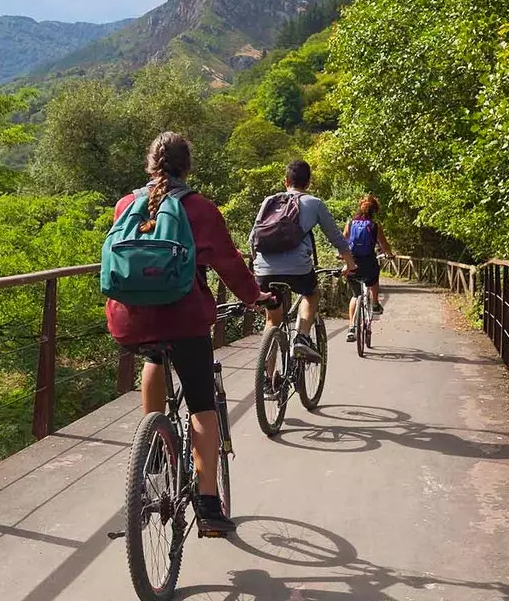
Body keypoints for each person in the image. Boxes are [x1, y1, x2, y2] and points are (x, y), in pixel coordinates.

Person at [105, 131, 272, 535]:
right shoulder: (199, 208)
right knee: (202, 407)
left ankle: (154, 446)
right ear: (188, 166)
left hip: (132, 320)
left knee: (152, 356)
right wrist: (255, 298)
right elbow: (230, 264)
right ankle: (209, 506)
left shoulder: (126, 204)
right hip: (184, 319)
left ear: (150, 164)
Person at [249, 160, 357, 366]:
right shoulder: (313, 203)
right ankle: (302, 337)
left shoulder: (268, 201)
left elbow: (252, 237)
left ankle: (268, 382)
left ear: (286, 181)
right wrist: (350, 262)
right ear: (308, 183)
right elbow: (336, 236)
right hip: (298, 268)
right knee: (310, 293)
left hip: (264, 268)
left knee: (272, 319)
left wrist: (259, 267)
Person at [344, 193, 394, 342]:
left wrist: (341, 255)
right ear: (374, 210)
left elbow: (343, 239)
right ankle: (376, 303)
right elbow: (384, 245)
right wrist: (389, 254)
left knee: (355, 295)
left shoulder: (350, 223)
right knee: (373, 278)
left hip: (352, 263)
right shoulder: (375, 226)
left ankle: (351, 327)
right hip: (368, 262)